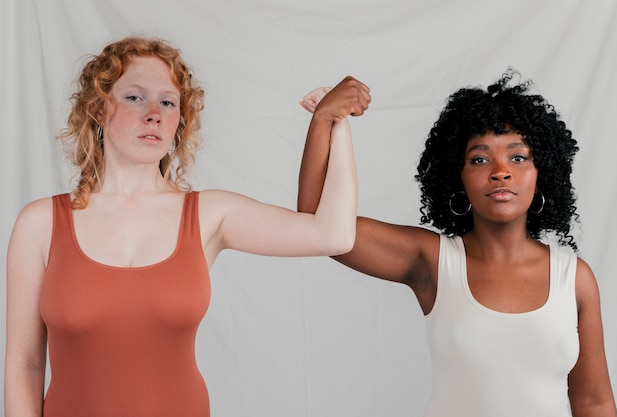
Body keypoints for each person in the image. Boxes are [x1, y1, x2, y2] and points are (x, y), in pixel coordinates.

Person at [4, 35, 371, 417]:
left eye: (168, 102)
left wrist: (334, 121)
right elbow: (24, 365)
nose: (154, 113)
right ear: (99, 108)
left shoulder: (209, 215)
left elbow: (333, 234)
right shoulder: (41, 224)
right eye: (134, 97)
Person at [298, 70, 617, 417]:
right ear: (457, 177)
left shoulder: (574, 278)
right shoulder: (432, 262)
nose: (500, 171)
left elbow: (594, 402)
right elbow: (318, 221)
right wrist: (325, 119)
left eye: (518, 157)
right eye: (479, 159)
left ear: (543, 173)